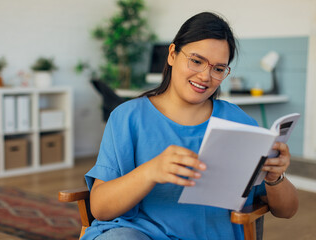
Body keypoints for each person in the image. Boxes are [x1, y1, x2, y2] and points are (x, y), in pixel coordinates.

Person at [83, 12, 298, 240]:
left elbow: (287, 211)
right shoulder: (127, 118)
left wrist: (276, 176)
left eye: (218, 69)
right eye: (196, 61)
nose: (205, 76)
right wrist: (151, 171)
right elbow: (100, 208)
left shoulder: (238, 122)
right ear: (173, 55)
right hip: (138, 234)